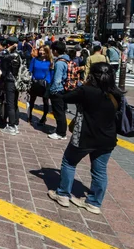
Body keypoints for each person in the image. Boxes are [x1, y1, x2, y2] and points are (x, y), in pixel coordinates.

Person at [48, 62, 122, 215]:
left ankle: (63, 194)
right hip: (107, 139)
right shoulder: (116, 93)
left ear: (92, 75)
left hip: (85, 136)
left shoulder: (86, 90)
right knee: (100, 171)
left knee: (69, 162)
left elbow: (64, 97)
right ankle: (94, 203)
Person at [0, 37, 21, 135]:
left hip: (10, 81)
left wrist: (8, 50)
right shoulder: (19, 54)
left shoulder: (10, 55)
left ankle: (11, 126)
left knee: (10, 104)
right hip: (17, 81)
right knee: (14, 103)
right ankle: (15, 124)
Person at [48, 41, 70, 140]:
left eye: (52, 50)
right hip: (63, 90)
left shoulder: (60, 63)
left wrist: (53, 90)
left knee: (59, 112)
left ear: (55, 50)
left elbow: (57, 79)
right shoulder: (65, 60)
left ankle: (61, 133)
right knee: (60, 112)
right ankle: (59, 130)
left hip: (58, 90)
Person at [28, 45, 53, 126]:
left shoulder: (50, 61)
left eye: (44, 51)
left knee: (45, 101)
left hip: (46, 84)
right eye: (40, 50)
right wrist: (32, 78)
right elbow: (30, 71)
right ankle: (29, 115)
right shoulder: (34, 60)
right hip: (35, 82)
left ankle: (44, 117)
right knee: (32, 99)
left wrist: (49, 83)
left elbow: (51, 74)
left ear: (47, 52)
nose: (42, 52)